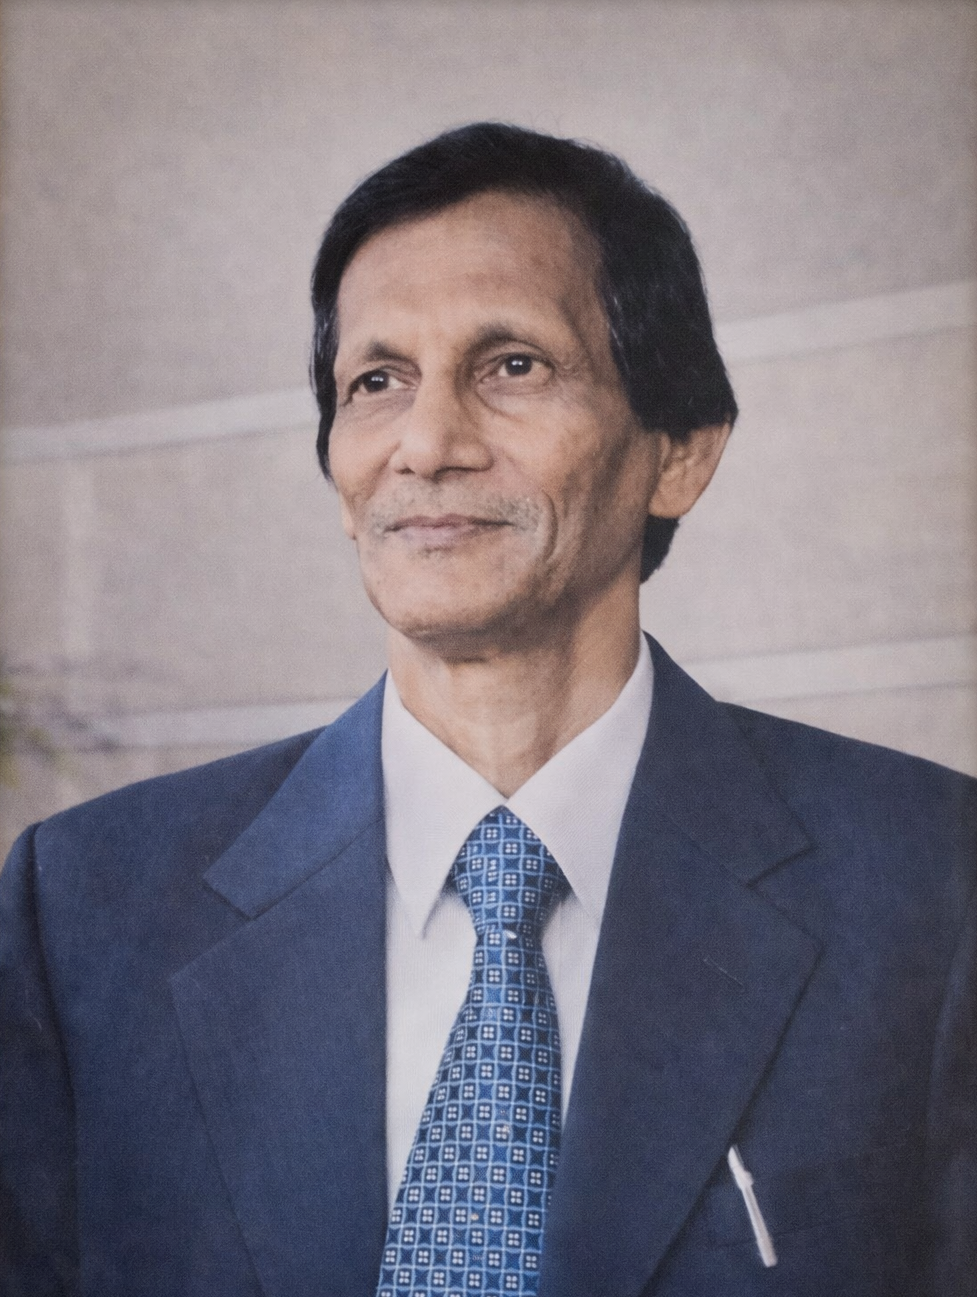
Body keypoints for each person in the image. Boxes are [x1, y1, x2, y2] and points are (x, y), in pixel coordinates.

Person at [0, 123, 973, 1297]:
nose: (427, 443)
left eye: (511, 364)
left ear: (679, 452)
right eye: (377, 381)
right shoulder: (87, 906)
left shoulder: (931, 886)